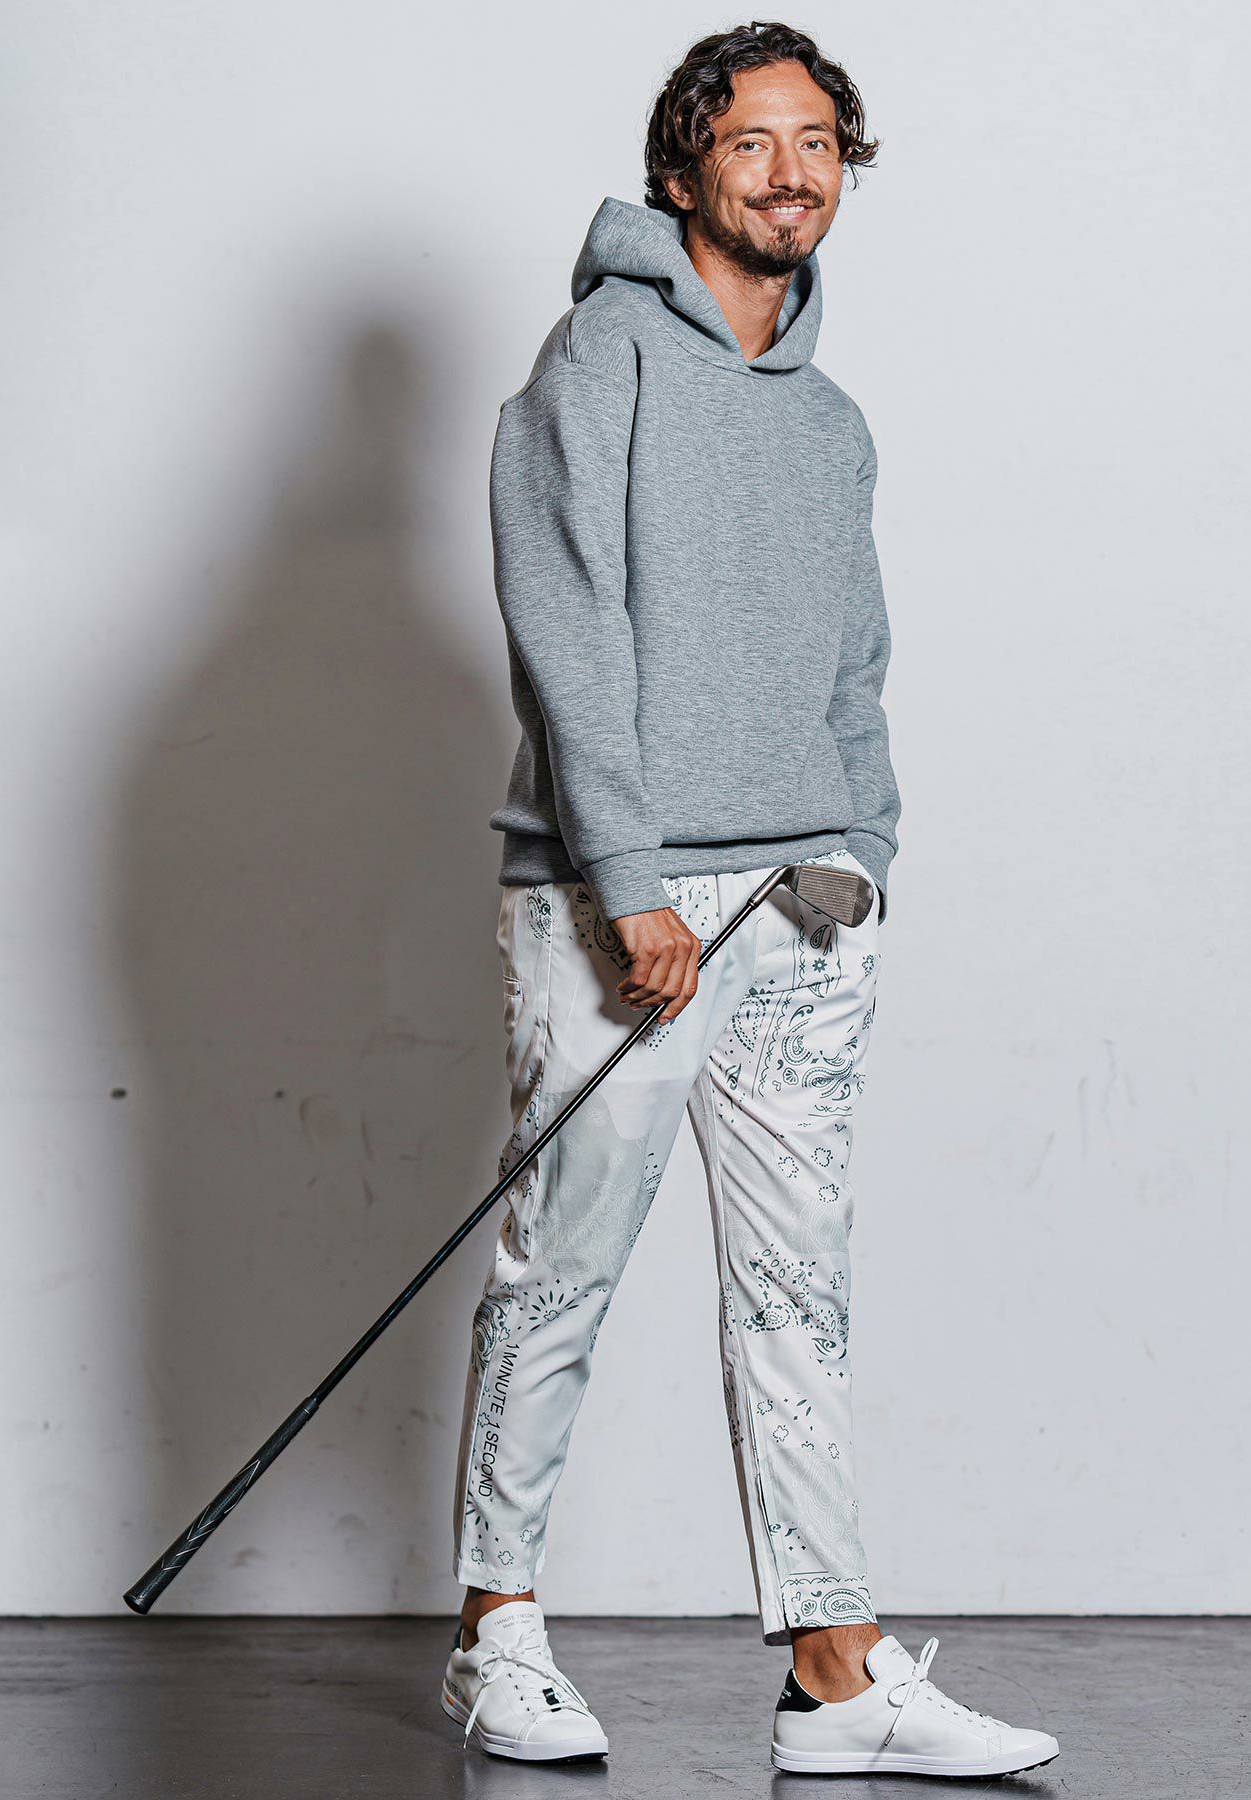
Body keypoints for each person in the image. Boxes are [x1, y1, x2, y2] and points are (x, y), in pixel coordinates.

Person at [440, 21, 1059, 1780]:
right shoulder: (599, 359)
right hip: (619, 903)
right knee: (562, 1268)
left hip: (802, 908)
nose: (790, 173)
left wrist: (864, 850)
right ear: (684, 169)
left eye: (817, 144)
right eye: (751, 142)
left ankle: (836, 1676)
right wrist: (626, 878)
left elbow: (859, 657)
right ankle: (495, 1630)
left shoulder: (834, 423)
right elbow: (566, 626)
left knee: (800, 1298)